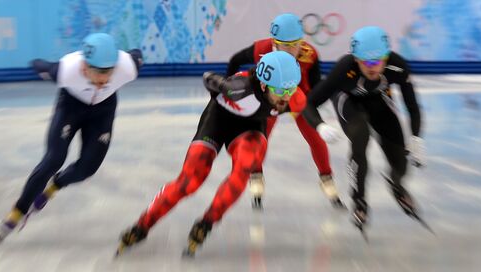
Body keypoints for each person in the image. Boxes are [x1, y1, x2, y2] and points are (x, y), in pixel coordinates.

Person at [116, 51, 305, 257]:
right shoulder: (240, 90)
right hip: (217, 121)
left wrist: (320, 126)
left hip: (250, 127)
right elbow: (207, 77)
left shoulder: (293, 98)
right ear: (263, 85)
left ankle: (207, 223)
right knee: (189, 182)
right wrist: (223, 86)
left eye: (291, 88)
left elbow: (307, 108)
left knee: (244, 168)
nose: (286, 96)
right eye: (280, 90)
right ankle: (142, 226)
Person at [0, 33, 143, 246]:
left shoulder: (128, 67)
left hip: (103, 111)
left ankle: (55, 187)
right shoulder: (65, 70)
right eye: (98, 74)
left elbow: (137, 54)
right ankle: (18, 211)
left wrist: (132, 56)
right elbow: (39, 65)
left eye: (109, 74)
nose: (103, 81)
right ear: (84, 66)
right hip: (70, 107)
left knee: (87, 168)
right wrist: (33, 63)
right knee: (53, 160)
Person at [302, 26, 426, 235]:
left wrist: (415, 138)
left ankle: (396, 185)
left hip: (379, 101)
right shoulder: (344, 68)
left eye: (378, 61)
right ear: (356, 59)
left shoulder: (398, 66)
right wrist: (320, 125)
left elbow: (412, 106)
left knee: (400, 159)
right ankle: (359, 200)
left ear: (386, 58)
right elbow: (309, 103)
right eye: (366, 62)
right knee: (361, 137)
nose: (372, 67)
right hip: (348, 102)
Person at [227, 13, 344, 209]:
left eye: (297, 43)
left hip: (299, 99)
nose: (293, 49)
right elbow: (235, 61)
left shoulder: (310, 53)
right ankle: (256, 174)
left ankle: (326, 177)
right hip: (271, 100)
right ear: (274, 42)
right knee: (260, 138)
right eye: (287, 44)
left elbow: (315, 87)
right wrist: (229, 88)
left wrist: (317, 113)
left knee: (316, 138)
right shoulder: (261, 49)